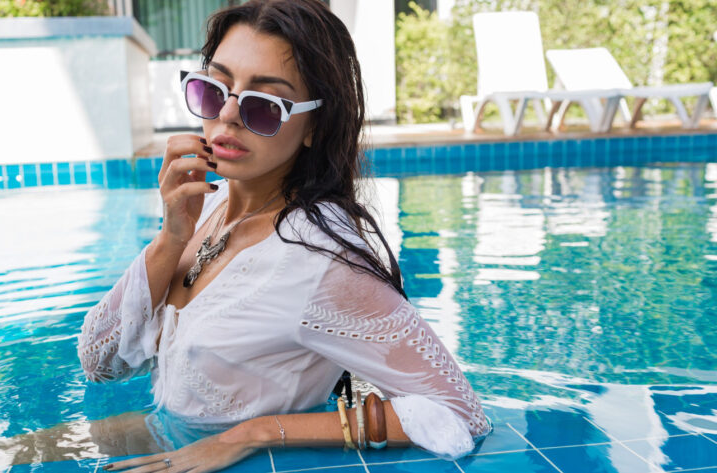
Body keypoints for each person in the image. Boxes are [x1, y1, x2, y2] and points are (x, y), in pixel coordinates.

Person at [77, 1, 492, 471]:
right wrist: (170, 238)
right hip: (172, 442)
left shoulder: (320, 258)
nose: (227, 115)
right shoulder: (206, 205)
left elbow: (461, 413)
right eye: (214, 90)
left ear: (315, 125)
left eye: (263, 106)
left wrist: (256, 433)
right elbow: (99, 363)